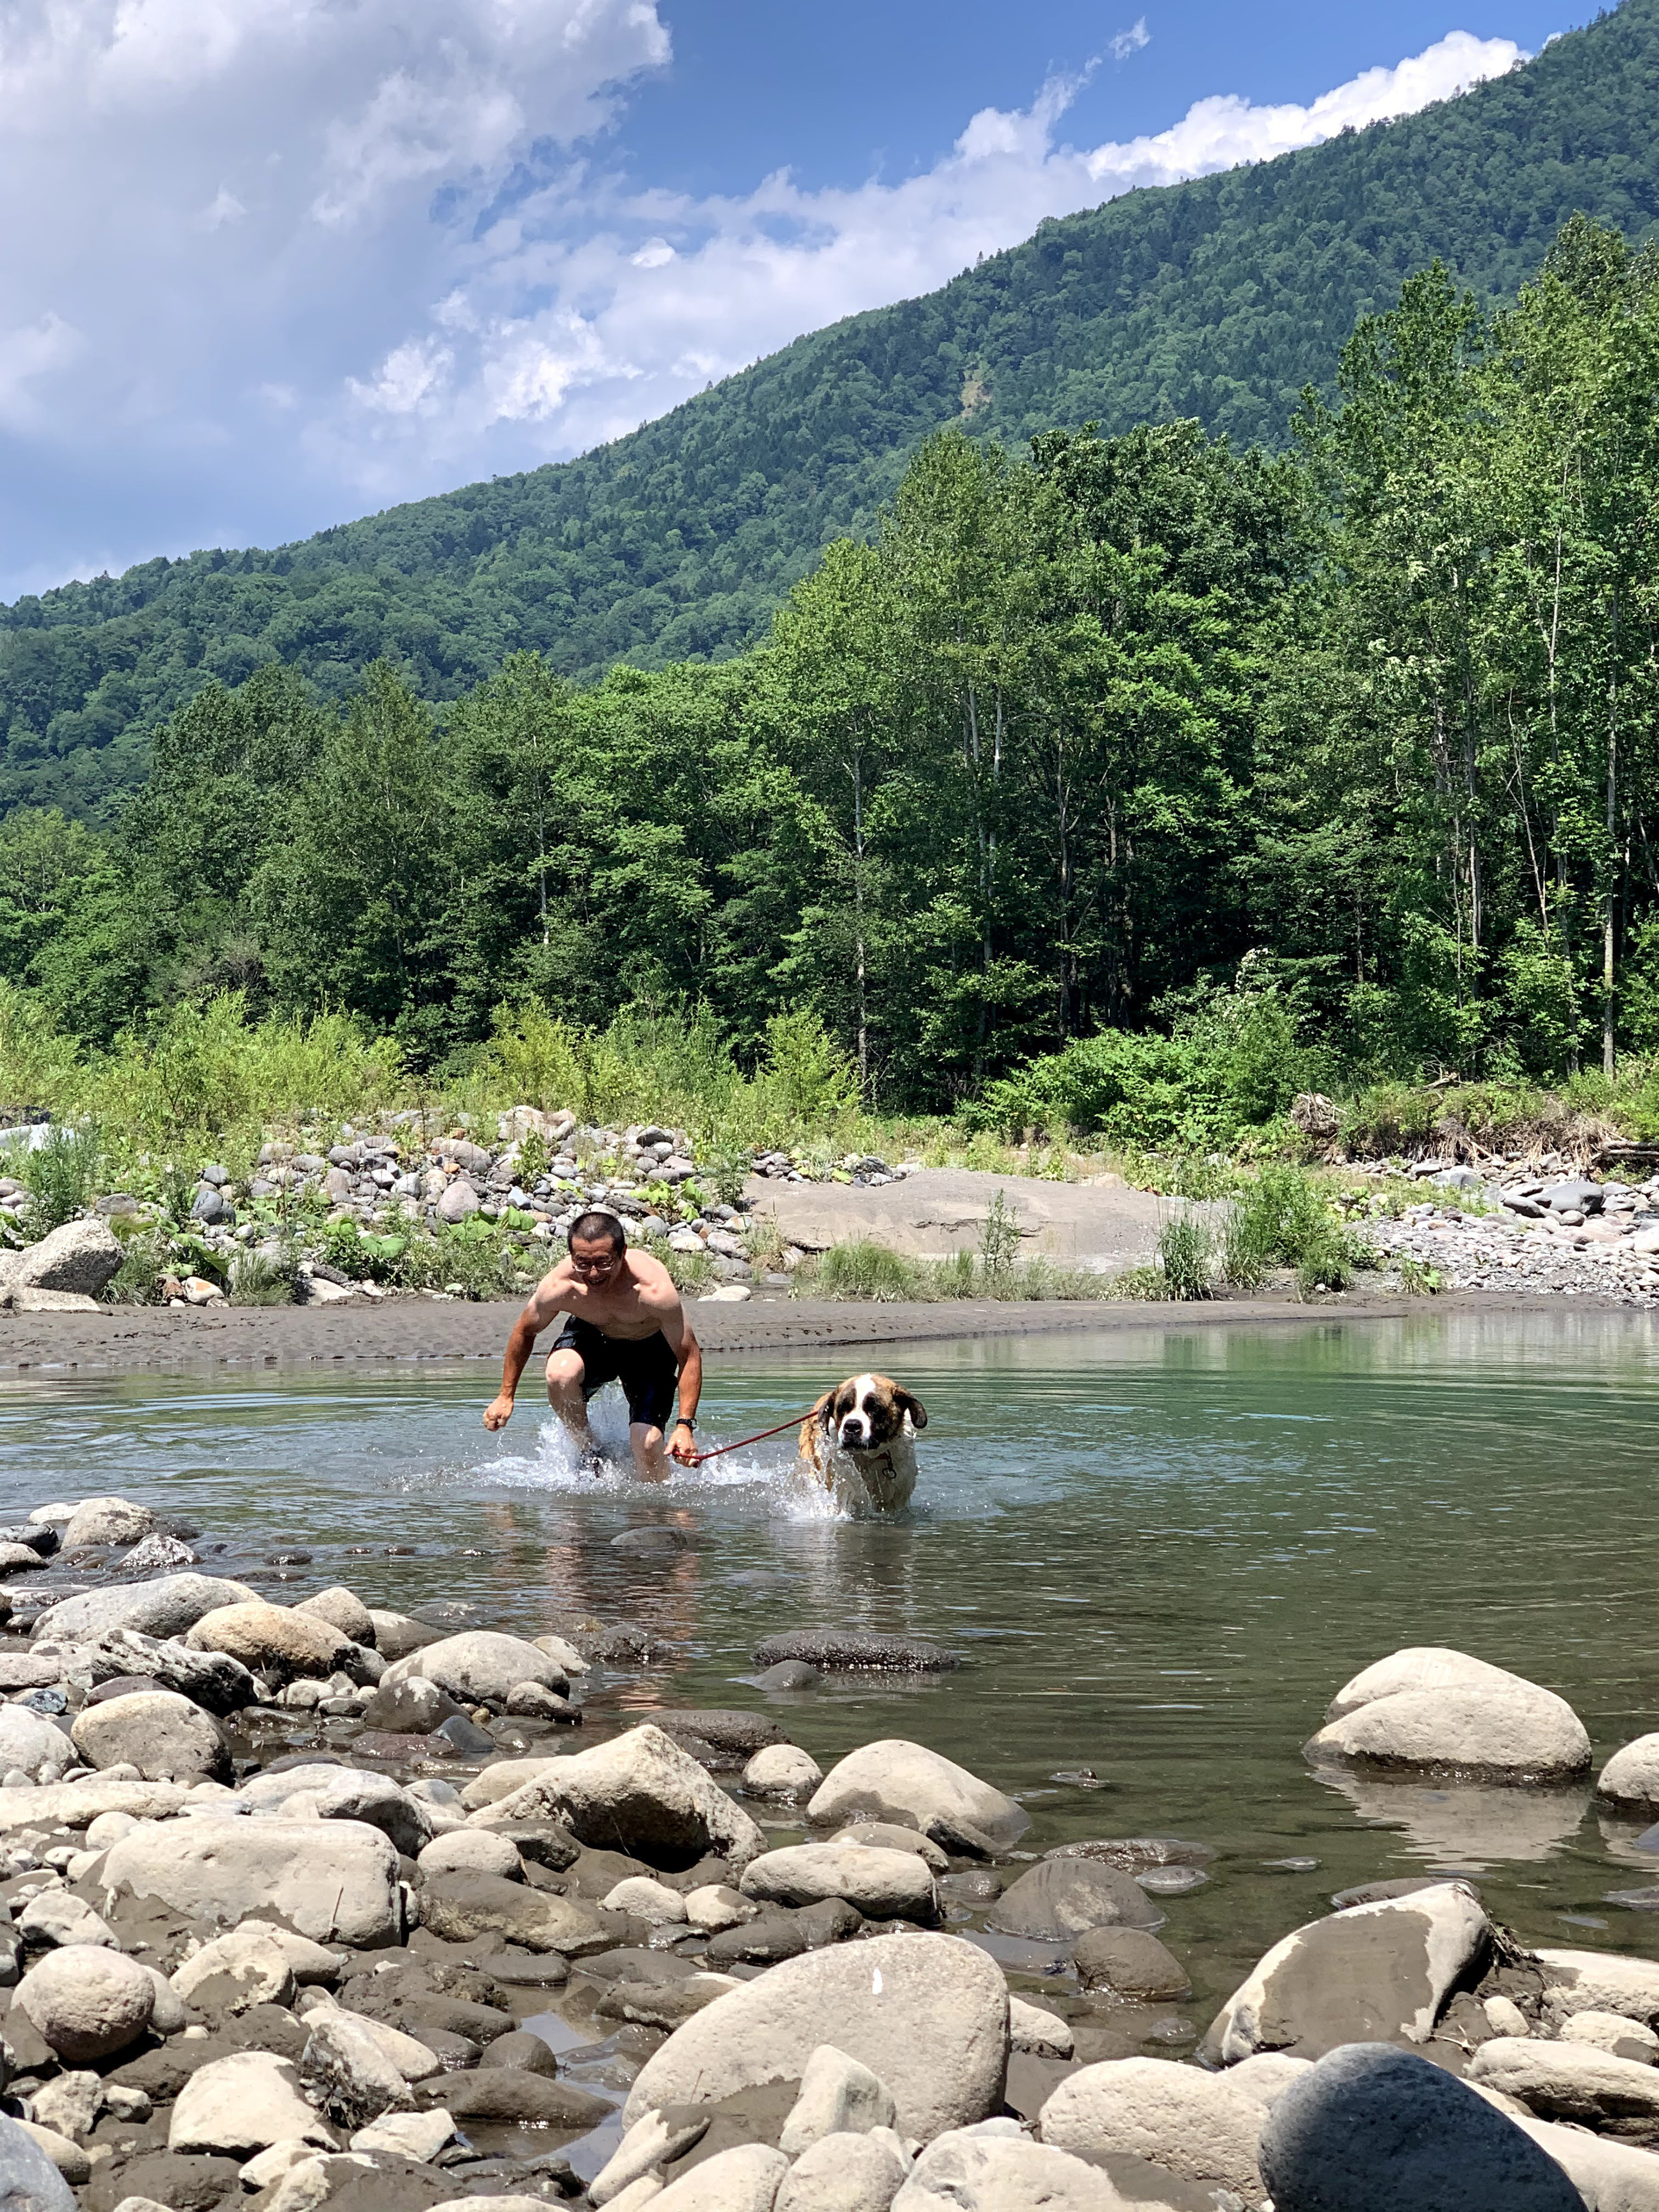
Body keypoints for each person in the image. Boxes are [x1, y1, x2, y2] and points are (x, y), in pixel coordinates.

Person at [482, 1210, 702, 1480]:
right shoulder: (561, 1285)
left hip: (649, 1347)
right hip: (594, 1335)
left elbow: (689, 1354)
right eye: (583, 1263)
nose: (594, 1273)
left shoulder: (653, 1290)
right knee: (560, 1373)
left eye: (603, 1262)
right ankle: (590, 1451)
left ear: (622, 1254)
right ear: (572, 1257)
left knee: (647, 1444)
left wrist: (684, 1426)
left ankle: (657, 1501)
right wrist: (506, 1396)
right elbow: (525, 1330)